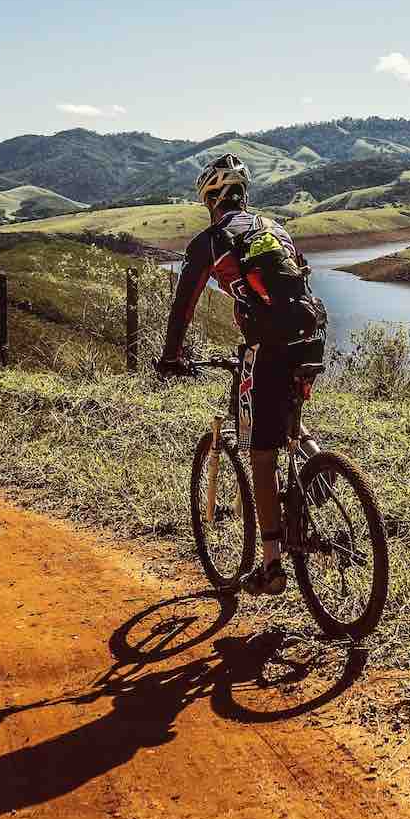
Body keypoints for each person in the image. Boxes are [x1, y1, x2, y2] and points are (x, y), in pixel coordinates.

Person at [158, 154, 326, 596]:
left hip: (266, 349)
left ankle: (270, 564)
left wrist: (171, 356)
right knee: (290, 422)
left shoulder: (211, 241)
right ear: (243, 196)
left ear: (210, 200)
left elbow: (183, 307)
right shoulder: (274, 228)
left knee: (262, 452)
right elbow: (300, 280)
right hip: (310, 336)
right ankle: (323, 474)